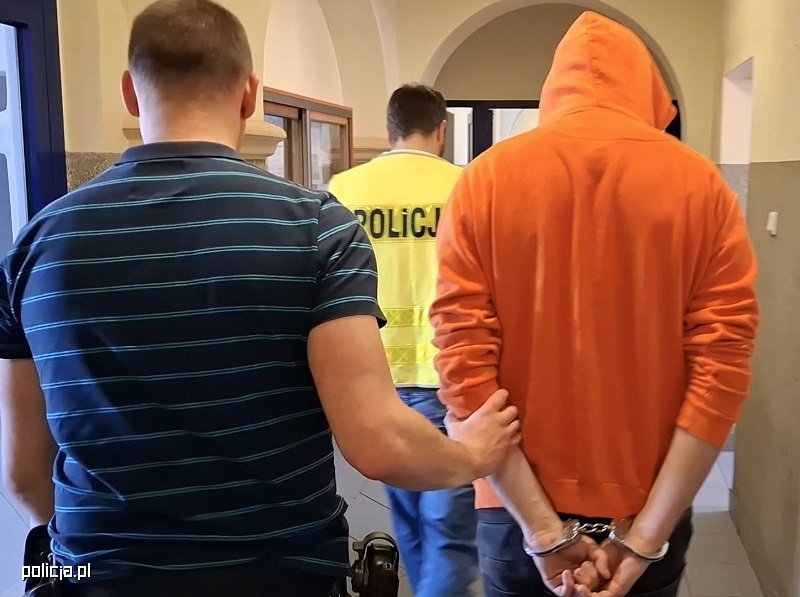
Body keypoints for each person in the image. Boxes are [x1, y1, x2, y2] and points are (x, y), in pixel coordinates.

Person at [0, 1, 521, 596]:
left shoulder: (38, 243)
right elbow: (376, 440)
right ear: (250, 95)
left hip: (93, 574)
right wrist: (473, 455)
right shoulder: (315, 226)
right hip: (279, 572)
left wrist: (79, 560)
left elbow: (23, 474)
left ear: (129, 93)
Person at [431, 11, 759, 597]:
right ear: (651, 96)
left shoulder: (484, 180)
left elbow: (462, 368)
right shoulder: (701, 185)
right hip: (648, 505)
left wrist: (543, 532)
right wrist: (645, 537)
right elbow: (722, 371)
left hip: (512, 506)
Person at [329, 84, 478, 597]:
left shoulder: (345, 189)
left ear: (390, 128)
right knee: (449, 529)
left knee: (409, 517)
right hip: (447, 377)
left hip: (374, 382)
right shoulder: (465, 186)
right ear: (441, 130)